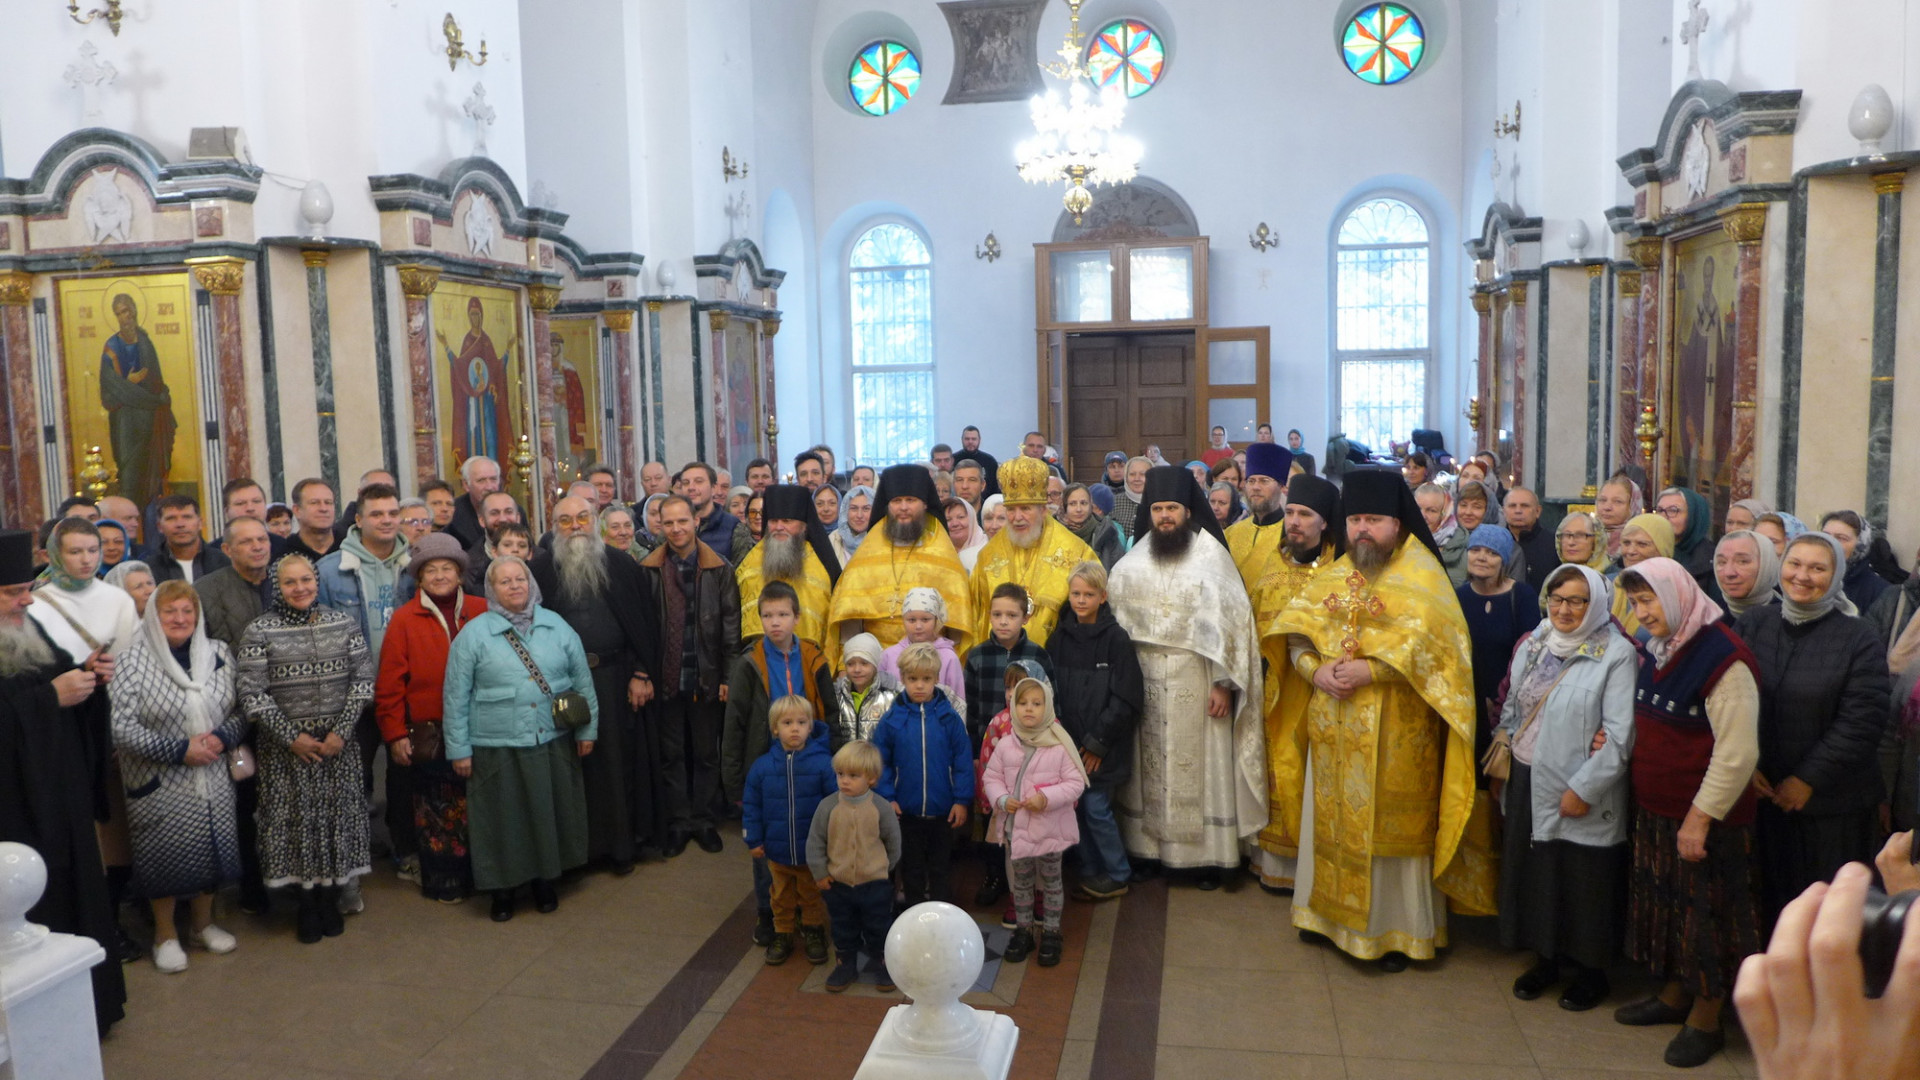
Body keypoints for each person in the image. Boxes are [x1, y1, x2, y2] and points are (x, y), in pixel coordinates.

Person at [1275, 468, 1486, 971]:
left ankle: (1396, 932)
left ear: (1398, 523)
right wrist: (1314, 669)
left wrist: (1373, 670)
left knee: (1389, 835)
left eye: (1374, 520)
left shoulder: (1423, 576)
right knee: (1329, 819)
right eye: (1355, 520)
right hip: (1333, 728)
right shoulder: (1335, 572)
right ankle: (1323, 917)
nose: (1363, 530)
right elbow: (1297, 635)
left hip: (1397, 733)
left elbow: (1444, 656)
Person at [1609, 557, 1762, 1068]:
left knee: (1707, 917)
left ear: (1677, 595)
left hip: (1706, 820)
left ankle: (1707, 1016)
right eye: (1634, 603)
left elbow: (1737, 752)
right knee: (1670, 907)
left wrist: (1700, 817)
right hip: (1659, 809)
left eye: (1649, 600)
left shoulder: (1724, 657)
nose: (1641, 612)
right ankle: (1675, 993)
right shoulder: (1662, 648)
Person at [1109, 466, 1264, 889]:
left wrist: (1222, 683)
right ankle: (1147, 851)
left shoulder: (1212, 559)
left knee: (1200, 768)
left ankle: (1208, 859)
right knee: (1147, 769)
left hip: (1196, 681)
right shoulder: (1131, 562)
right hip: (1144, 681)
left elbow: (1231, 627)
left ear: (1187, 510)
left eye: (1172, 508)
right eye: (1157, 508)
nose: (1164, 517)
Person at [0, 529, 128, 1031]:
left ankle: (88, 1010)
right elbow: (38, 697)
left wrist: (88, 677)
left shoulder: (25, 625)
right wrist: (49, 699)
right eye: (14, 592)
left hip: (60, 803)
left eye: (27, 588)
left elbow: (52, 679)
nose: (28, 599)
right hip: (12, 815)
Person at [1495, 565, 1637, 1011]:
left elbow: (1619, 735)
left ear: (1596, 603)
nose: (1564, 609)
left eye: (1577, 600)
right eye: (1557, 598)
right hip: (1527, 774)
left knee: (1583, 879)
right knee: (1537, 873)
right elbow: (1514, 702)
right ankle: (1546, 961)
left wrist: (1585, 789)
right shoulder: (1536, 640)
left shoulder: (1616, 653)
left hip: (1579, 782)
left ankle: (1591, 973)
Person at [1738, 533, 1889, 926]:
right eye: (1794, 564)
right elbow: (1729, 700)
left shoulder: (1859, 636)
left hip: (1831, 807)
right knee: (1765, 906)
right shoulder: (1754, 623)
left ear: (1836, 574)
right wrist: (1743, 766)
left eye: (1818, 568)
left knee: (1824, 915)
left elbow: (1862, 719)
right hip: (1762, 796)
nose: (1802, 576)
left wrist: (1806, 780)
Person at [442, 556, 596, 921]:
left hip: (551, 738)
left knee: (546, 812)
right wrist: (459, 749)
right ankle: (503, 890)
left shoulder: (556, 625)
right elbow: (455, 697)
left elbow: (582, 682)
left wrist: (588, 729)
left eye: (520, 579)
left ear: (531, 584)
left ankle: (545, 880)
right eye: (505, 581)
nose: (514, 586)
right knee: (502, 818)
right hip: (496, 745)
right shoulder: (473, 635)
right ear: (491, 590)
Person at [236, 554, 374, 944]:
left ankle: (331, 899)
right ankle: (307, 905)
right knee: (298, 828)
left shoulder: (343, 623)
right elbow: (252, 693)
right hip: (287, 753)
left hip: (337, 748)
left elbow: (363, 681)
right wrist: (290, 737)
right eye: (290, 582)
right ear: (277, 587)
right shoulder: (259, 630)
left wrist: (341, 733)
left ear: (317, 582)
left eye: (306, 580)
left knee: (335, 822)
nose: (300, 588)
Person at [110, 580, 245, 973]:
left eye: (188, 611)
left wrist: (220, 738)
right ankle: (165, 935)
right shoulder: (131, 660)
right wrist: (179, 750)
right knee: (163, 858)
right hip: (158, 779)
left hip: (213, 773)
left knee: (211, 850)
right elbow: (120, 727)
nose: (180, 618)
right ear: (154, 616)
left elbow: (239, 709)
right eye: (170, 612)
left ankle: (203, 926)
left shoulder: (218, 653)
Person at [540, 495, 663, 871]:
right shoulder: (541, 570)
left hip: (615, 678)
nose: (575, 526)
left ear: (596, 521)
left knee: (616, 762)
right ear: (553, 526)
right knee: (574, 765)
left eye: (582, 517)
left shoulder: (622, 565)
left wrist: (642, 673)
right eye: (565, 520)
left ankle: (621, 848)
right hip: (563, 684)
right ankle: (581, 850)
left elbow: (645, 623)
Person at [373, 533, 487, 902]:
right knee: (438, 807)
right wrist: (394, 734)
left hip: (481, 727)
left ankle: (483, 874)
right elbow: (390, 683)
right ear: (419, 578)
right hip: (430, 731)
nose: (440, 576)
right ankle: (445, 878)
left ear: (460, 573)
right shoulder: (405, 619)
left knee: (479, 802)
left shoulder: (482, 609)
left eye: (448, 568)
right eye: (431, 570)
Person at [314, 481, 413, 904]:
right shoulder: (330, 569)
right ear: (358, 520)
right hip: (351, 694)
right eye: (377, 514)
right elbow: (315, 632)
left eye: (393, 513)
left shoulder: (416, 563)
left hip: (404, 691)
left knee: (408, 778)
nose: (387, 520)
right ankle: (350, 870)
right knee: (351, 784)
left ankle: (409, 853)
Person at [723, 581, 836, 947]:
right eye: (768, 615)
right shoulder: (749, 664)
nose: (775, 623)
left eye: (783, 615)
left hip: (810, 760)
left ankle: (810, 915)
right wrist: (734, 781)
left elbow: (830, 713)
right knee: (767, 849)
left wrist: (833, 756)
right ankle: (769, 916)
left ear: (797, 617)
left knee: (809, 839)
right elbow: (734, 723)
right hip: (766, 764)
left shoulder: (813, 657)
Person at [1249, 475, 1344, 893]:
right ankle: (1278, 867)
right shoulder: (1271, 565)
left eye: (1305, 515)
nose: (1294, 522)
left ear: (1324, 523)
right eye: (1289, 513)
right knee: (1276, 772)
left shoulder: (1341, 572)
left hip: (1324, 691)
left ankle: (1318, 869)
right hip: (1273, 691)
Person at [981, 674, 1085, 968]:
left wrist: (1046, 797)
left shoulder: (1059, 744)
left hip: (1050, 829)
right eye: (1022, 703)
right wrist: (1001, 799)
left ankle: (1051, 932)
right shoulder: (1006, 744)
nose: (1029, 709)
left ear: (1048, 706)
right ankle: (1023, 931)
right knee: (1022, 883)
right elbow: (992, 776)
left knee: (1051, 882)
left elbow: (1075, 783)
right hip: (1017, 830)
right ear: (1013, 706)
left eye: (1036, 703)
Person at [827, 464, 974, 653]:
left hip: (928, 663)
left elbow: (956, 623)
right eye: (897, 501)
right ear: (887, 505)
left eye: (911, 500)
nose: (903, 507)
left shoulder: (941, 550)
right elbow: (850, 616)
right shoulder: (869, 550)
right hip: (875, 662)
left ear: (925, 504)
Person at [873, 643, 973, 905]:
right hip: (905, 812)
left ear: (936, 679)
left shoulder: (949, 719)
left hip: (943, 812)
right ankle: (913, 916)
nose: (919, 685)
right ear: (903, 678)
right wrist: (887, 796)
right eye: (913, 679)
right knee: (911, 869)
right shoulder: (892, 720)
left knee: (941, 869)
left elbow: (962, 761)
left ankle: (940, 916)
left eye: (926, 679)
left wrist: (961, 800)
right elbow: (880, 762)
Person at [743, 695, 835, 967]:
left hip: (811, 852)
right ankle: (782, 933)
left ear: (810, 727)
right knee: (780, 896)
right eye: (787, 723)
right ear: (775, 728)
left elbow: (833, 806)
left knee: (811, 894)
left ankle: (814, 931)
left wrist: (831, 842)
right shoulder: (762, 768)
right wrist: (754, 839)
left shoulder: (823, 764)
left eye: (801, 722)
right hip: (777, 850)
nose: (794, 728)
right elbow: (751, 806)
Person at [966, 456, 1094, 650]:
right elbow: (975, 617)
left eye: (1025, 508)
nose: (1017, 518)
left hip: (1056, 665)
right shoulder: (988, 556)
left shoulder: (1077, 553)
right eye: (1011, 509)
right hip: (997, 663)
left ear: (1043, 510)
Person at [808, 739, 901, 992]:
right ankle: (845, 964)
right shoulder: (828, 806)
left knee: (878, 924)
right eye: (840, 774)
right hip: (838, 883)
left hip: (875, 883)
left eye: (853, 775)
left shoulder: (881, 807)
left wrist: (883, 869)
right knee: (842, 926)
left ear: (871, 778)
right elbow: (815, 842)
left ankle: (884, 962)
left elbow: (893, 842)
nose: (844, 781)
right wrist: (820, 872)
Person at [1458, 523, 1542, 772]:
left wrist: (1500, 703)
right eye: (1476, 550)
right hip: (1468, 705)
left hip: (1508, 709)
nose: (1482, 557)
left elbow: (1531, 657)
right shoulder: (1458, 597)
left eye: (1492, 553)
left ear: (1503, 560)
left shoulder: (1522, 596)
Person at [735, 485, 841, 658]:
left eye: (787, 521)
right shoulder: (749, 564)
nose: (779, 527)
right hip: (759, 660)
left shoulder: (822, 568)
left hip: (809, 661)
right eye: (773, 521)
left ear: (804, 526)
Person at [879, 588, 967, 706]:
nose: (918, 626)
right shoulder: (888, 656)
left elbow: (958, 703)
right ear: (903, 620)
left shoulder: (949, 658)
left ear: (936, 620)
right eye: (912, 620)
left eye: (925, 619)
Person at [1609, 513, 1676, 639]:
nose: (1631, 551)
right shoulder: (1606, 585)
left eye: (1642, 544)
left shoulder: (1676, 593)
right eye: (1626, 543)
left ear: (1663, 549)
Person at [832, 632, 899, 746]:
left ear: (875, 664)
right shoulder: (836, 696)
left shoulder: (892, 696)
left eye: (864, 663)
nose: (857, 669)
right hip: (844, 762)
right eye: (850, 664)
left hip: (878, 762)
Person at [1655, 487, 1721, 602]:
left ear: (1693, 516)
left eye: (1673, 510)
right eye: (1660, 510)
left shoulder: (1712, 560)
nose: (1664, 517)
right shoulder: (1650, 551)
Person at [149, 494, 231, 584]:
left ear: (200, 523)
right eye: (171, 518)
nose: (180, 524)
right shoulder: (149, 568)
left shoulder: (223, 562)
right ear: (160, 527)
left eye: (187, 517)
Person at [1821, 510, 1891, 614]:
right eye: (1825, 535)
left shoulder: (1881, 592)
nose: (1830, 542)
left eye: (1841, 538)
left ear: (1860, 544)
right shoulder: (1804, 579)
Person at [1715, 529, 1782, 619]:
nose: (1729, 572)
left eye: (1742, 562)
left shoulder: (1789, 621)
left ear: (1766, 565)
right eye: (1722, 562)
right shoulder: (1707, 617)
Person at [1415, 483, 1469, 587]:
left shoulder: (1461, 545)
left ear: (1445, 514)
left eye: (1431, 510)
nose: (1422, 516)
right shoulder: (1402, 540)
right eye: (1417, 509)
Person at [1502, 487, 1556, 590]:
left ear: (1538, 511)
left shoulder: (1553, 544)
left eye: (1525, 506)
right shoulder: (1496, 543)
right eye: (1512, 506)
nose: (1518, 511)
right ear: (1504, 511)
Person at [1059, 483, 1123, 570]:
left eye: (1084, 503)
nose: (1079, 509)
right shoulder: (1052, 532)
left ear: (1090, 506)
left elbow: (1117, 572)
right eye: (1072, 504)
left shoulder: (1107, 533)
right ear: (1064, 506)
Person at [285, 478, 339, 562]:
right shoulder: (285, 553)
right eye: (314, 503)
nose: (323, 509)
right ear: (297, 510)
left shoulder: (351, 547)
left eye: (328, 502)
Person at [951, 425, 1002, 498]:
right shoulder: (953, 460)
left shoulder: (990, 461)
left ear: (979, 440)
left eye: (973, 439)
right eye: (967, 439)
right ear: (962, 440)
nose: (970, 442)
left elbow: (995, 488)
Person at [832, 485, 874, 566]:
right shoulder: (833, 540)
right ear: (845, 511)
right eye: (854, 508)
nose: (859, 515)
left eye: (866, 509)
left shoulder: (883, 540)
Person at [944, 497, 988, 573]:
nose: (955, 524)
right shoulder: (938, 551)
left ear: (972, 519)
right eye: (948, 519)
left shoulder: (986, 548)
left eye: (960, 517)